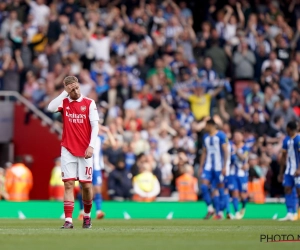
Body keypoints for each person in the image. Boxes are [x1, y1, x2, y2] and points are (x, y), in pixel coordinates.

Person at [47, 76, 99, 229]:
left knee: (86, 186)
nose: (76, 91)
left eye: (77, 88)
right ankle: (68, 220)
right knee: (69, 184)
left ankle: (87, 216)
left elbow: (95, 126)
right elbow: (50, 108)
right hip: (68, 148)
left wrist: (91, 146)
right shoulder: (64, 102)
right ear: (67, 90)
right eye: (72, 89)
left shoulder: (89, 103)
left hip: (85, 150)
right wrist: (65, 93)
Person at [78, 125, 116, 220]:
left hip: (96, 168)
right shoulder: (84, 136)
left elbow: (113, 144)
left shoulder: (100, 138)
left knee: (98, 189)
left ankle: (98, 211)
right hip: (84, 166)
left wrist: (107, 131)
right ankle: (82, 212)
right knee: (83, 189)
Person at [199, 118, 228, 219]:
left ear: (210, 125)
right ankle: (210, 208)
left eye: (206, 125)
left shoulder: (221, 135)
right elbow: (204, 152)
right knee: (203, 187)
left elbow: (226, 151)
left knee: (219, 189)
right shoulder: (205, 137)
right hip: (208, 166)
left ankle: (220, 212)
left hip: (219, 167)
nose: (205, 128)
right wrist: (201, 166)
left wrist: (225, 166)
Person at [278, 121, 300, 221]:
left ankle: (297, 212)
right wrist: (281, 172)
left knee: (299, 191)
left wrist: (299, 168)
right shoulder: (286, 140)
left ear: (288, 128)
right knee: (287, 189)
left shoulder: (298, 139)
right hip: (288, 170)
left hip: (297, 169)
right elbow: (283, 157)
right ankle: (290, 213)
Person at [230, 131, 250, 220]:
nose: (236, 137)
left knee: (243, 195)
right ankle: (236, 212)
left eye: (238, 135)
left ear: (242, 137)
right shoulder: (230, 146)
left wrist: (236, 151)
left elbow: (243, 158)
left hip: (242, 175)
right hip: (233, 174)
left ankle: (243, 207)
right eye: (235, 136)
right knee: (235, 192)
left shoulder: (245, 148)